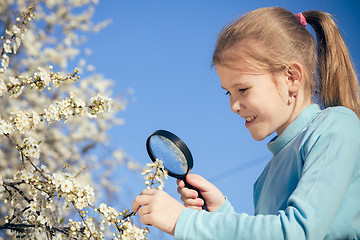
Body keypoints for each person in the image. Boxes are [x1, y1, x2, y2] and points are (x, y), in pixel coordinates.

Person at [132, 7, 360, 239]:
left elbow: (297, 232)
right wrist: (221, 214)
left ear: (291, 77)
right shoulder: (264, 179)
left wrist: (185, 222)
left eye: (243, 89)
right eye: (228, 93)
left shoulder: (335, 128)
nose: (233, 105)